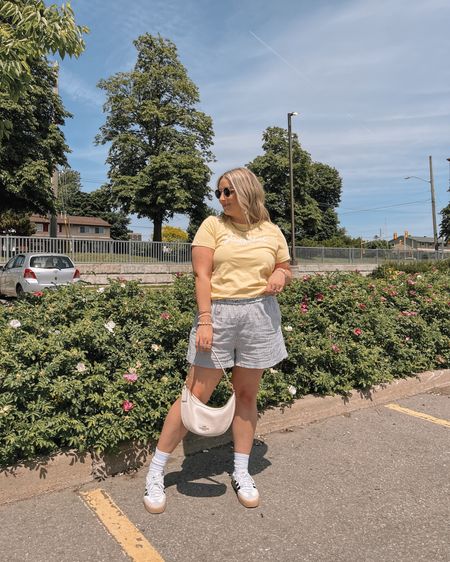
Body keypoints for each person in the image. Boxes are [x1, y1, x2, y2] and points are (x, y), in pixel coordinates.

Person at [144, 167, 292, 514]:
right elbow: (202, 274)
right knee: (195, 394)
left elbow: (286, 266)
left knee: (246, 394)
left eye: (228, 191)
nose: (222, 198)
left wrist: (279, 274)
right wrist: (206, 320)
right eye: (219, 192)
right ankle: (156, 472)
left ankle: (241, 470)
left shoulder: (271, 231)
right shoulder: (212, 226)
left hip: (260, 315)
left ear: (247, 191)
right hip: (219, 315)